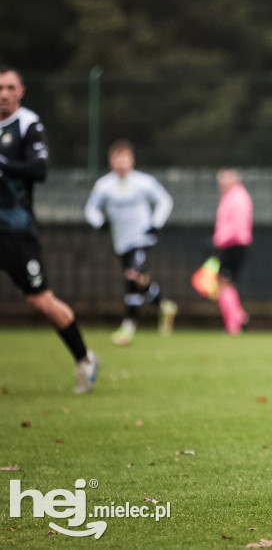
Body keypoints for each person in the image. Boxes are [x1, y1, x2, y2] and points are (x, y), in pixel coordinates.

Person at [0, 66, 99, 393]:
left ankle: (85, 358)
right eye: (0, 88)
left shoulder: (28, 124)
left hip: (17, 231)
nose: (4, 94)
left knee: (41, 301)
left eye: (10, 88)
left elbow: (39, 169)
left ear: (21, 91)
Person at [84, 140, 177, 345]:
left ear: (132, 160)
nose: (121, 162)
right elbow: (90, 209)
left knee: (132, 277)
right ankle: (163, 304)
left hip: (142, 238)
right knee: (140, 281)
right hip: (121, 242)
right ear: (111, 161)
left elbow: (165, 201)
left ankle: (128, 326)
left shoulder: (144, 182)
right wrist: (100, 223)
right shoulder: (104, 185)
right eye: (117, 158)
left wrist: (155, 223)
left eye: (125, 157)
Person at [214, 169, 253, 335]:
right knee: (225, 283)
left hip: (234, 245)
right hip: (230, 245)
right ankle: (239, 316)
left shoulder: (238, 198)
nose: (221, 183)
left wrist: (218, 239)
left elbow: (235, 228)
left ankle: (234, 325)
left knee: (224, 283)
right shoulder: (230, 196)